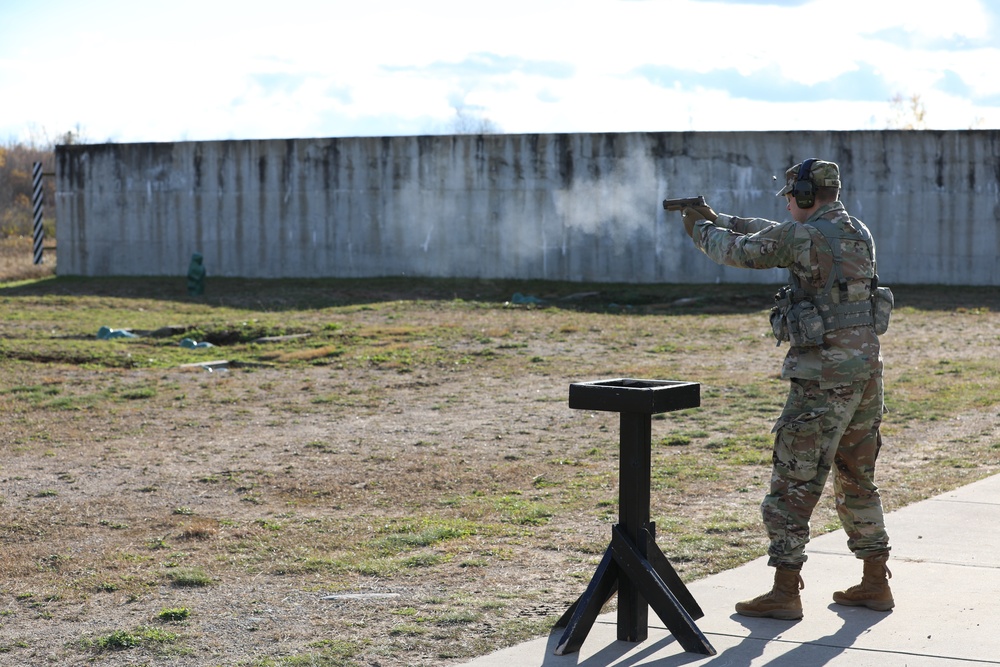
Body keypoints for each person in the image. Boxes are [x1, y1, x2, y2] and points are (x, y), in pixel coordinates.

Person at [679, 159, 894, 620]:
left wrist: (699, 229)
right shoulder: (856, 230)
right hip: (866, 372)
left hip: (823, 376)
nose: (789, 205)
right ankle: (875, 582)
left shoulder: (802, 236)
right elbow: (770, 231)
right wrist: (725, 218)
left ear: (802, 195)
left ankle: (784, 591)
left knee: (793, 482)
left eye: (791, 197)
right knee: (857, 477)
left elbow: (742, 252)